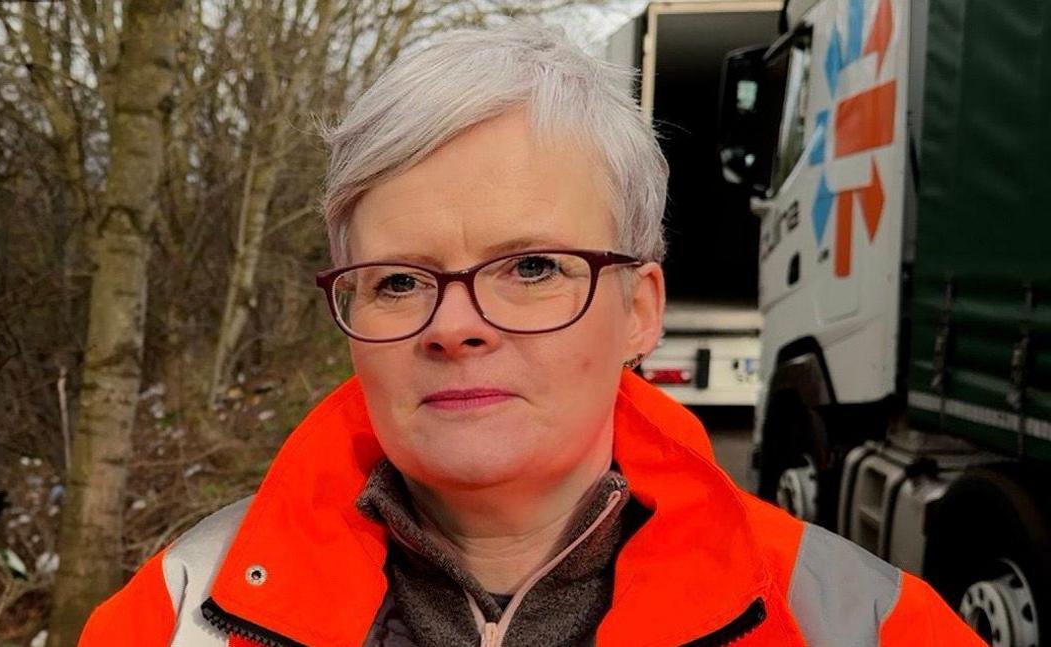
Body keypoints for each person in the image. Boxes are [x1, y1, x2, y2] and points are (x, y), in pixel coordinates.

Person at [78, 23, 984, 646]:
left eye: (534, 268)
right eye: (399, 280)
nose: (457, 326)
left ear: (640, 307)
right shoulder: (177, 614)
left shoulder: (858, 620)